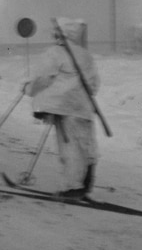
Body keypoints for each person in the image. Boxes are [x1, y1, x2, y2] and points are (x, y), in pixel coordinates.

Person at [24, 18, 100, 198]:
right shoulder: (85, 55)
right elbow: (94, 84)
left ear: (61, 34)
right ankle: (85, 183)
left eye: (55, 32)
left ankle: (73, 187)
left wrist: (29, 89)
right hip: (84, 108)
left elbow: (43, 78)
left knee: (70, 148)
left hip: (64, 109)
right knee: (85, 145)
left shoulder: (54, 53)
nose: (53, 35)